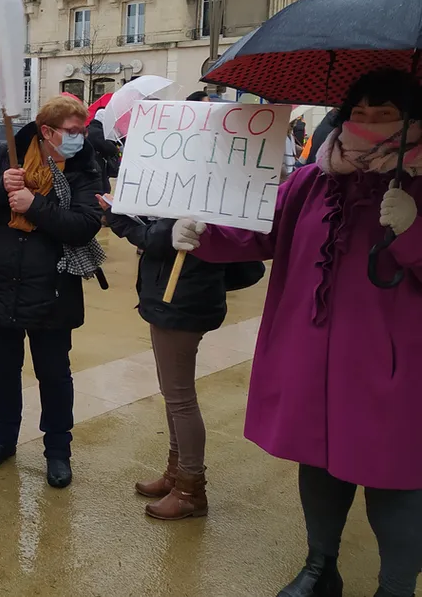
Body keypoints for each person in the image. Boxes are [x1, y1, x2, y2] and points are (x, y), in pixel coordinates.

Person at [171, 70, 422, 597]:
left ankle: (396, 586)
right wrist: (203, 233)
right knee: (321, 461)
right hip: (314, 354)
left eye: (386, 115)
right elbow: (258, 228)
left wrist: (414, 230)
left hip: (395, 366)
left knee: (394, 477)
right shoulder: (314, 180)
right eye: (360, 113)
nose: (369, 125)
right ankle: (320, 566)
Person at [0, 95, 105, 488]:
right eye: (73, 131)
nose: (81, 137)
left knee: (54, 374)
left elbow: (85, 224)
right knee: (3, 370)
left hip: (53, 288)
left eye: (83, 129)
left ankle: (58, 451)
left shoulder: (84, 164)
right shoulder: (8, 153)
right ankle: (2, 440)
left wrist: (34, 205)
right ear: (47, 131)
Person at [103, 178, 264, 520]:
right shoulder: (199, 188)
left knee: (180, 398)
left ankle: (190, 488)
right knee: (172, 394)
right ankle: (176, 473)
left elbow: (155, 240)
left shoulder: (205, 192)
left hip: (181, 304)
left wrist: (117, 217)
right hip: (172, 299)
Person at [86, 107, 121, 193]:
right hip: (97, 166)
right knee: (102, 189)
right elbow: (111, 149)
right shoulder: (98, 132)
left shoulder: (89, 129)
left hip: (91, 166)